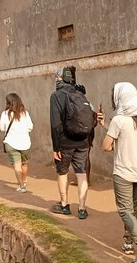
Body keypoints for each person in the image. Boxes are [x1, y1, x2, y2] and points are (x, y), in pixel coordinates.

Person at [100, 82, 137, 263]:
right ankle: (128, 242)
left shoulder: (118, 121)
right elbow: (125, 139)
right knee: (132, 208)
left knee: (124, 210)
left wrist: (107, 128)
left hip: (123, 173)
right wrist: (106, 126)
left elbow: (106, 146)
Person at [49, 66, 94, 219]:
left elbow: (55, 124)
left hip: (65, 143)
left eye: (56, 77)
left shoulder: (56, 96)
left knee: (62, 173)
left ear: (59, 78)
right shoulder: (79, 93)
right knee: (81, 173)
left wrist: (56, 147)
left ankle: (64, 205)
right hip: (82, 142)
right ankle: (82, 209)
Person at [0, 92, 33, 192]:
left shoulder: (5, 114)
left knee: (17, 165)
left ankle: (22, 186)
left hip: (11, 143)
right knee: (24, 164)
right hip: (25, 143)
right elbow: (30, 127)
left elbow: (1, 128)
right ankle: (25, 180)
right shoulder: (25, 113)